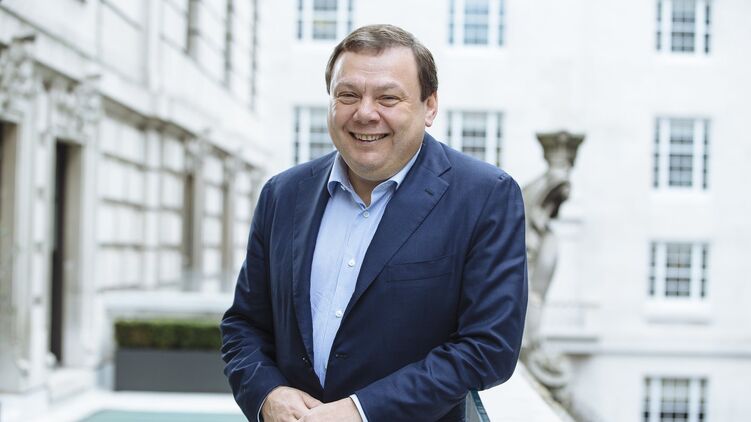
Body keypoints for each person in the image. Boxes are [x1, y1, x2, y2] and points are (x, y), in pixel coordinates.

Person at [221, 24, 528, 422]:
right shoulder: (282, 194)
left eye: (388, 98)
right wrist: (267, 394)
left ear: (430, 106)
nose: (365, 113)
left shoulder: (485, 196)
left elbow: (488, 347)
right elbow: (244, 324)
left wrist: (362, 411)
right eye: (348, 95)